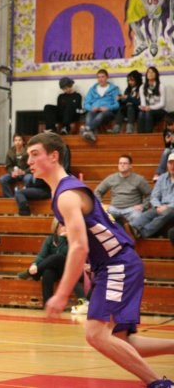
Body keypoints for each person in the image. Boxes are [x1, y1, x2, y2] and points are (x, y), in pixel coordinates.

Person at [27, 131, 174, 388]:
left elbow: (79, 247)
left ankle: (160, 384)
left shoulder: (66, 194)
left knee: (95, 334)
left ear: (54, 156)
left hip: (117, 265)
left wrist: (61, 294)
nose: (28, 161)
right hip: (116, 264)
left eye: (34, 154)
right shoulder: (66, 189)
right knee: (120, 341)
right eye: (28, 155)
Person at [17, 219, 88, 306]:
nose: (65, 227)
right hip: (58, 271)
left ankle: (31, 273)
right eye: (62, 225)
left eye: (67, 225)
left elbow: (61, 253)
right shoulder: (50, 239)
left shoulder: (74, 240)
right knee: (48, 273)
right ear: (56, 227)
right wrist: (34, 264)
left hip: (74, 270)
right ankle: (47, 304)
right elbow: (41, 255)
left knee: (58, 257)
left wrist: (63, 237)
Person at [94, 154, 151, 226]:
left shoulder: (139, 179)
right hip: (114, 209)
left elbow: (150, 194)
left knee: (137, 217)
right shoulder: (111, 178)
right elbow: (98, 192)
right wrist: (100, 204)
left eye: (125, 163)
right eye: (120, 163)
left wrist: (143, 206)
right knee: (100, 215)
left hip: (131, 210)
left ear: (130, 166)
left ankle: (131, 232)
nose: (122, 165)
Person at [129, 153, 174, 239]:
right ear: (167, 165)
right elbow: (154, 196)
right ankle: (133, 228)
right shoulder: (162, 178)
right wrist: (158, 206)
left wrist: (167, 207)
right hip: (161, 206)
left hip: (172, 208)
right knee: (149, 213)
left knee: (167, 212)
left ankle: (143, 233)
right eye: (170, 163)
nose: (172, 166)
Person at [81, 69, 120, 142]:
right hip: (94, 110)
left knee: (100, 116)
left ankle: (87, 129)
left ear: (107, 77)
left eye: (102, 77)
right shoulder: (92, 89)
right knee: (89, 115)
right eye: (98, 77)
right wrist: (91, 108)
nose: (100, 79)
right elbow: (86, 104)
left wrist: (108, 108)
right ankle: (90, 134)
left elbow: (117, 104)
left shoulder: (114, 89)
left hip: (107, 112)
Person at [0, 133, 32, 198]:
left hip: (26, 173)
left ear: (23, 142)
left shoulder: (28, 151)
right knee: (2, 179)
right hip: (15, 174)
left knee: (29, 179)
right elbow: (8, 166)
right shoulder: (10, 152)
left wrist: (24, 172)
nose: (17, 142)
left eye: (19, 140)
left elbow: (32, 165)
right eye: (15, 140)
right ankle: (10, 198)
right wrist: (12, 172)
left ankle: (24, 196)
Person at [138, 66, 167, 133]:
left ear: (156, 74)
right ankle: (141, 135)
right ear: (146, 75)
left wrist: (150, 107)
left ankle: (148, 134)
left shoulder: (161, 86)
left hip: (159, 110)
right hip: (147, 109)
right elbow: (143, 102)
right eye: (148, 72)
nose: (150, 74)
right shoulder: (142, 87)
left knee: (148, 113)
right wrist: (143, 107)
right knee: (141, 113)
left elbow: (162, 104)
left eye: (152, 72)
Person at [154, 115, 174, 181]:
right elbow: (167, 146)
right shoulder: (166, 131)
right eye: (168, 125)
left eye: (171, 125)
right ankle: (159, 173)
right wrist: (167, 142)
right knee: (166, 151)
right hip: (170, 149)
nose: (169, 127)